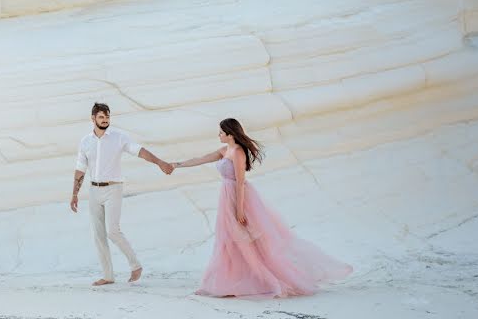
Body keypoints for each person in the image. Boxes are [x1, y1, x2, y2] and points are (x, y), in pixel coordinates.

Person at [173, 118, 352, 297]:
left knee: (249, 239)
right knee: (229, 240)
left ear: (230, 134)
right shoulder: (225, 150)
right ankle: (229, 282)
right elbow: (201, 159)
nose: (218, 135)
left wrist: (240, 209)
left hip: (239, 197)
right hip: (226, 197)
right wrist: (177, 165)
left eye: (221, 132)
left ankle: (265, 278)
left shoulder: (237, 152)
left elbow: (241, 182)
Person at [71, 103, 174, 286]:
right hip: (93, 190)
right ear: (93, 118)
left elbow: (139, 151)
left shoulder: (118, 137)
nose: (105, 120)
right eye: (101, 117)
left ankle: (135, 265)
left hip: (113, 188)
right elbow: (80, 168)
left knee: (113, 230)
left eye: (107, 117)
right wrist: (74, 194)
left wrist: (159, 162)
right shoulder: (85, 141)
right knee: (99, 234)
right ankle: (108, 275)